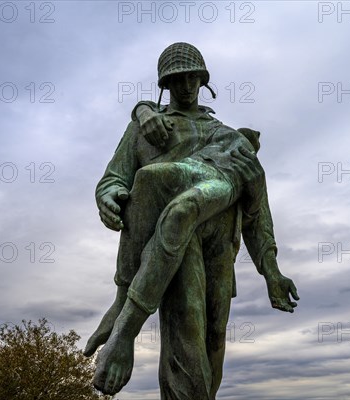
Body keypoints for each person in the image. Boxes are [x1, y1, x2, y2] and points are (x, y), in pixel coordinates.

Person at [87, 42, 298, 399]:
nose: (186, 86)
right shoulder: (145, 129)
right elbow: (115, 178)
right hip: (172, 244)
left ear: (203, 80)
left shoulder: (228, 137)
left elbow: (257, 208)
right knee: (186, 331)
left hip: (221, 243)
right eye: (177, 80)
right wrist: (108, 196)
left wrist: (271, 270)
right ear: (165, 85)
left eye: (192, 78)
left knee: (213, 335)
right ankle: (124, 311)